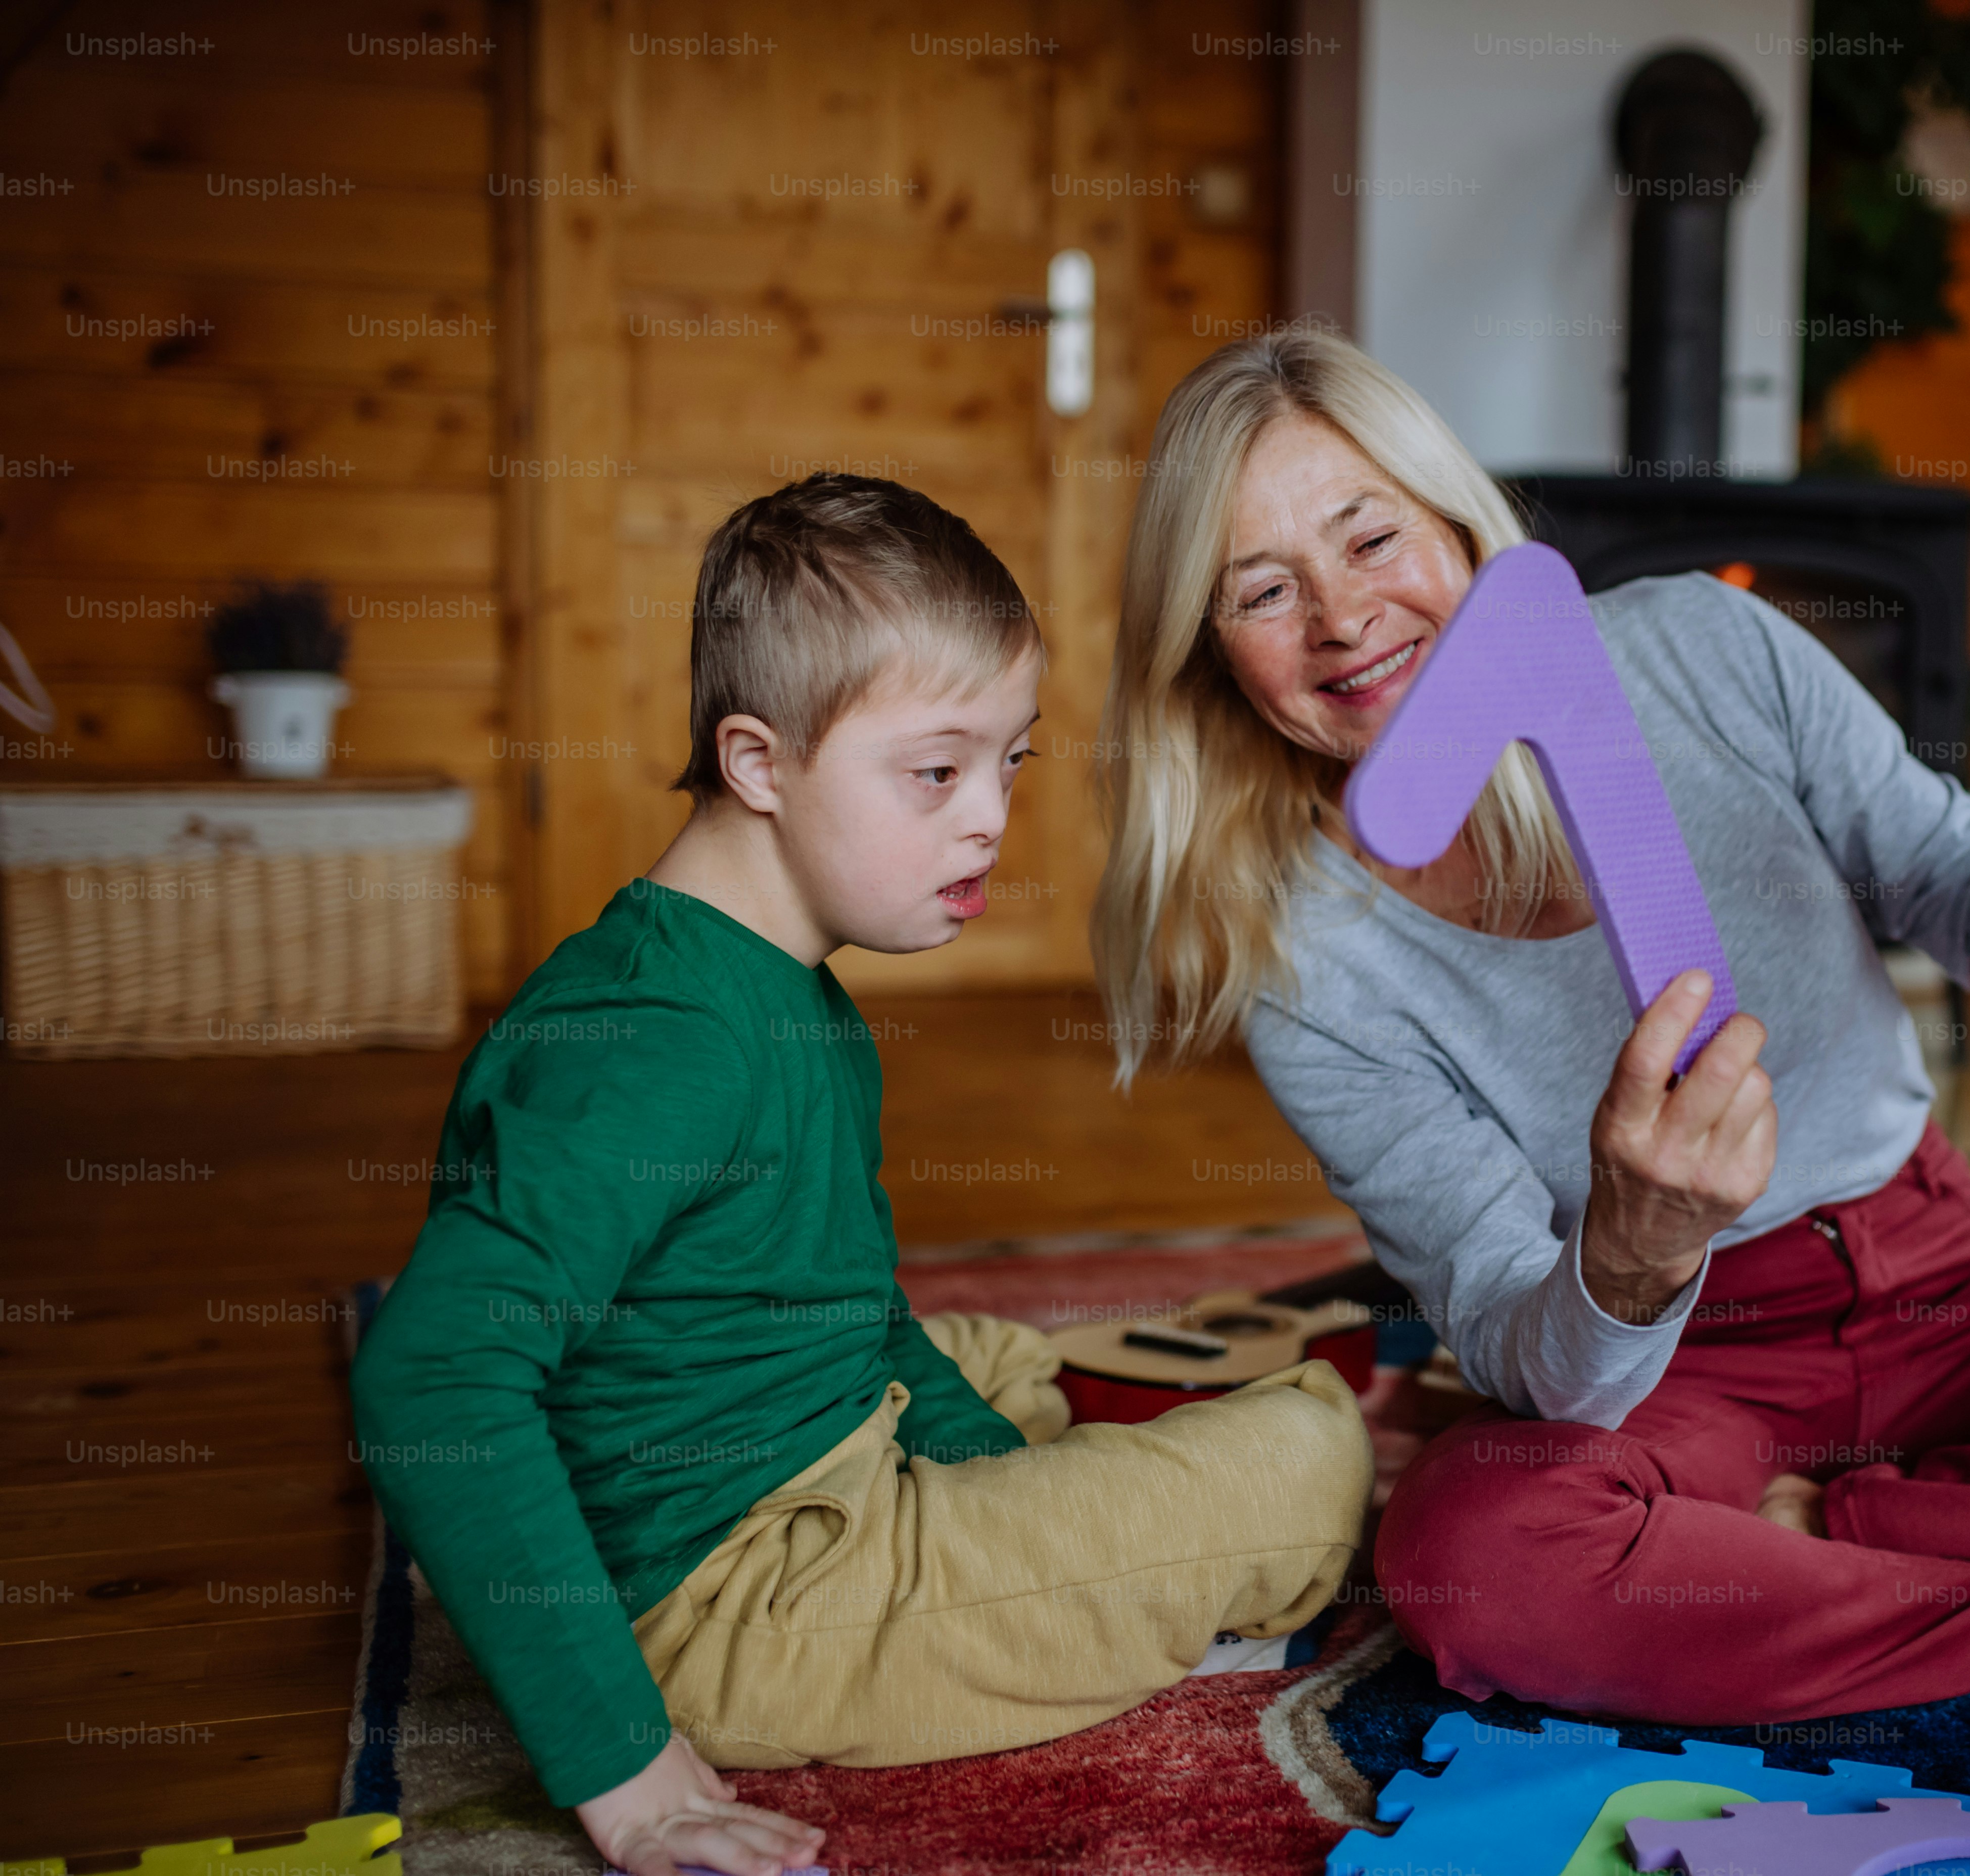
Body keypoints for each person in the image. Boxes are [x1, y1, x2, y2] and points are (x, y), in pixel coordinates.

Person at [1091, 333, 1970, 1725]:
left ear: (1459, 531)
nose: (1344, 618)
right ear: (1211, 653)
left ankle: (1860, 1534)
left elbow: (1959, 895)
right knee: (1471, 1556)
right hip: (1688, 1372)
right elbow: (1531, 1358)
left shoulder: (1703, 649)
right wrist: (1636, 1246)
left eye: (1368, 537)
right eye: (1261, 592)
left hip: (1953, 1273)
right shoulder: (1300, 962)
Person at [352, 476, 1372, 1876]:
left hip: (805, 1448)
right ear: (761, 764)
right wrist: (627, 1769)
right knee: (1310, 1454)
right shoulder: (661, 1048)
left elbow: (847, 1307)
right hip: (737, 1603)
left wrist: (1014, 1493)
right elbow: (430, 1376)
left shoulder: (778, 989)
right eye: (936, 771)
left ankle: (1064, 1521)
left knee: (1001, 1360)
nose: (990, 820)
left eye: (1011, 761)